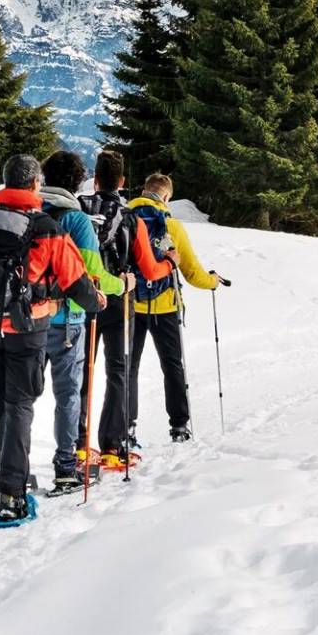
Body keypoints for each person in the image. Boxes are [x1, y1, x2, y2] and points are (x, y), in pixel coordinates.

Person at [0, 154, 103, 525]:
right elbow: (75, 281)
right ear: (34, 184)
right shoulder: (47, 228)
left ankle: (4, 480)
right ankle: (12, 494)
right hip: (29, 330)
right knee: (19, 406)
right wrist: (97, 301)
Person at [38, 150, 123, 494]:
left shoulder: (28, 212)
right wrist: (122, 284)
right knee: (68, 394)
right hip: (67, 319)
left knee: (22, 396)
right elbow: (94, 275)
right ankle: (65, 468)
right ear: (77, 181)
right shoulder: (76, 220)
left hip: (27, 317)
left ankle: (10, 469)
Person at [126, 173, 223, 446]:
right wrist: (212, 281)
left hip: (130, 304)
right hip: (165, 306)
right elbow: (191, 272)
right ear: (166, 197)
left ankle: (128, 428)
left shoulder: (126, 219)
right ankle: (179, 425)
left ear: (143, 191)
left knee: (129, 367)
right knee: (172, 366)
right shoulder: (172, 227)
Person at [82, 150, 138, 466]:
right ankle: (112, 446)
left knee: (81, 371)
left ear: (95, 179)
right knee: (117, 370)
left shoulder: (81, 210)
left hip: (85, 299)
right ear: (122, 182)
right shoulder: (130, 216)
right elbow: (142, 260)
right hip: (118, 301)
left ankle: (77, 444)